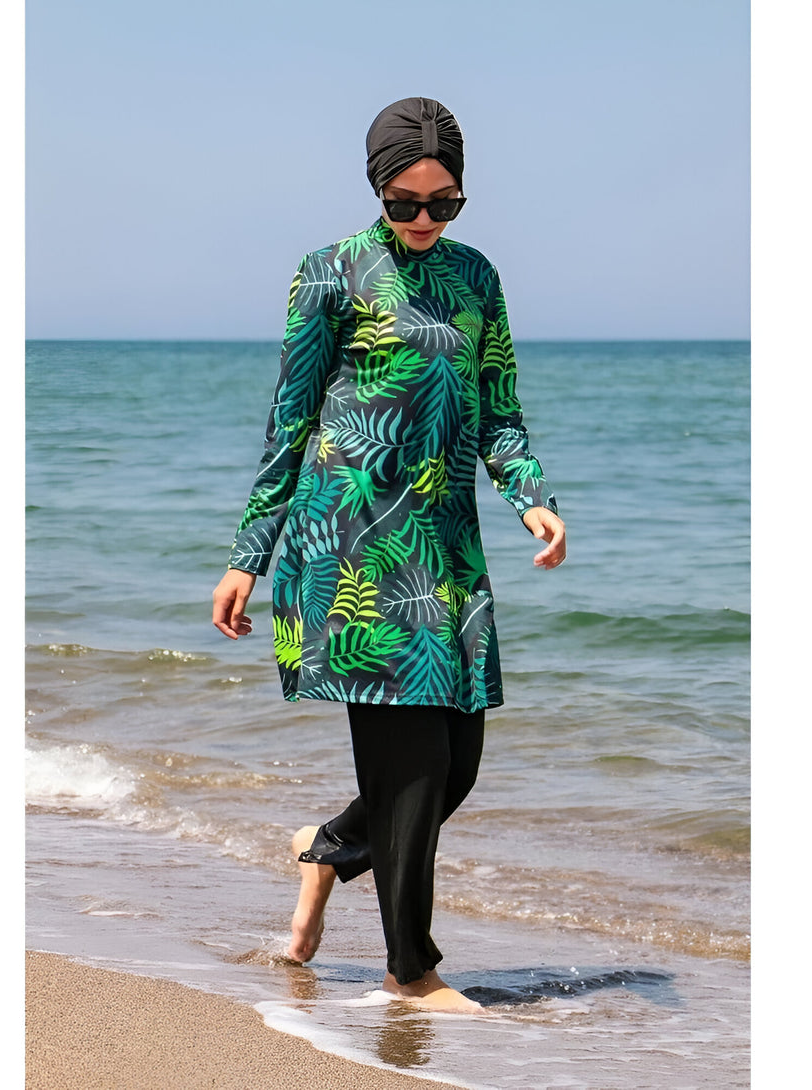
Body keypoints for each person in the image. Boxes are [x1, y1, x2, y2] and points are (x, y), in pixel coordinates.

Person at [212, 97, 565, 1014]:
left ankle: (326, 850)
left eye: (443, 203)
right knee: (410, 771)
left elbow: (499, 412)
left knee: (455, 770)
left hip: (445, 551)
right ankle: (412, 971)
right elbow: (288, 424)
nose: (422, 220)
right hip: (353, 552)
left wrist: (531, 498)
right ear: (375, 188)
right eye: (404, 202)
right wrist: (251, 553)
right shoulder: (329, 274)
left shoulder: (477, 278)